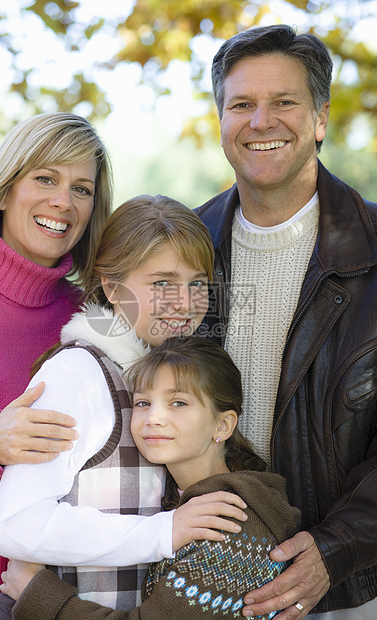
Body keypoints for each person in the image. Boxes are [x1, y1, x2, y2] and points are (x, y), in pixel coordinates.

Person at [0, 195, 248, 619]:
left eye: (197, 283)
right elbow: (17, 525)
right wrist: (164, 531)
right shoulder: (77, 373)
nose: (183, 304)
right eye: (162, 283)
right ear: (112, 287)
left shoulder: (168, 375)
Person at [194, 23, 377, 619]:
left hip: (343, 583)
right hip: (203, 567)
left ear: (320, 119)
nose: (261, 121)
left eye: (285, 102)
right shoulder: (184, 248)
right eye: (241, 104)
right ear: (221, 121)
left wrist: (336, 548)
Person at [0, 334, 301, 620]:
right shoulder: (180, 501)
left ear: (222, 426)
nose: (153, 418)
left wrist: (36, 594)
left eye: (178, 403)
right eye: (143, 403)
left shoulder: (230, 524)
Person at [0, 111, 112, 618]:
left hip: (62, 601)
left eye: (82, 188)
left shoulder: (94, 316)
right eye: (45, 178)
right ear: (5, 190)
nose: (63, 202)